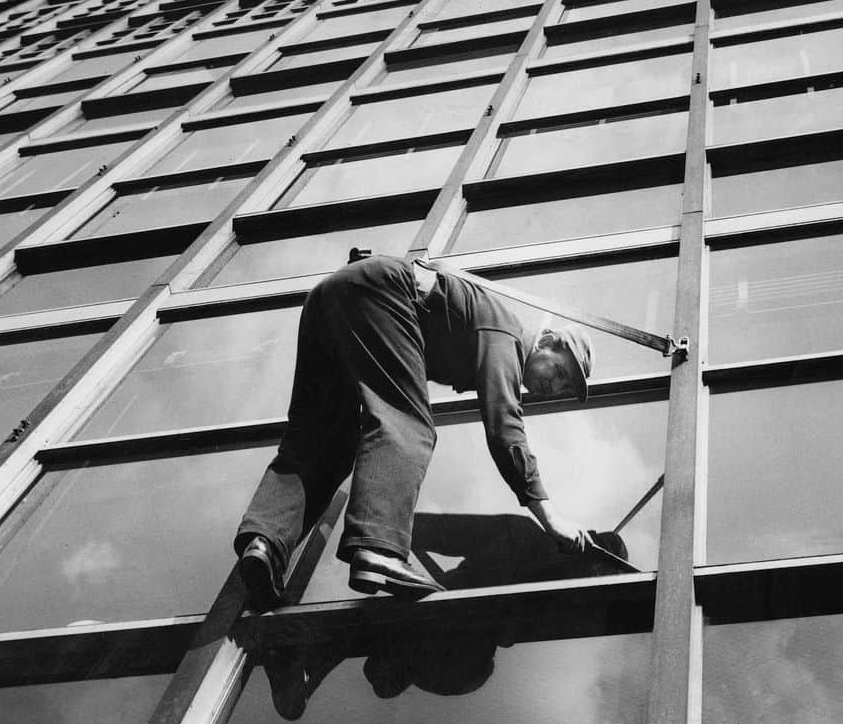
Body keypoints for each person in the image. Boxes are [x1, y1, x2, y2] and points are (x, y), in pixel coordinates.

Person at [234, 252, 594, 609]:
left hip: (336, 296)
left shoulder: (497, 332)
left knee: (325, 442)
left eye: (563, 388)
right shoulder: (508, 335)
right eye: (561, 373)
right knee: (408, 423)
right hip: (380, 294)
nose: (554, 387)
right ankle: (377, 548)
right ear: (547, 342)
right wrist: (550, 518)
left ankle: (265, 544)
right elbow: (505, 430)